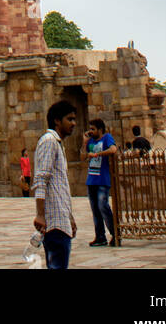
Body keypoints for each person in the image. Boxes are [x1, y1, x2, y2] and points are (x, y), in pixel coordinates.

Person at [33, 100, 78, 270]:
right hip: (53, 222)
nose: (73, 123)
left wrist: (70, 217)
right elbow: (41, 179)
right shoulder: (49, 141)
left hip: (61, 219)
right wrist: (40, 214)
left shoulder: (57, 143)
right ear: (57, 121)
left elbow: (59, 187)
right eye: (70, 119)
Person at [84, 118, 117, 246]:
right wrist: (84, 142)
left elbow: (113, 149)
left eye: (93, 129)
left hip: (102, 178)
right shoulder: (90, 141)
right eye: (90, 129)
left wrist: (98, 154)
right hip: (91, 179)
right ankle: (100, 236)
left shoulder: (107, 138)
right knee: (95, 209)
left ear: (100, 129)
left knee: (103, 206)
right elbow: (83, 156)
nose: (91, 131)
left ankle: (115, 233)